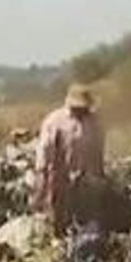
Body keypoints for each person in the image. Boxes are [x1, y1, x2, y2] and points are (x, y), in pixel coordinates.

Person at [35, 84, 108, 230]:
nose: (82, 111)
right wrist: (42, 182)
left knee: (87, 221)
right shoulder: (55, 121)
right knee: (59, 219)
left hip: (88, 181)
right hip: (61, 180)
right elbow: (45, 152)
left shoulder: (94, 122)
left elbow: (98, 150)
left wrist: (100, 175)